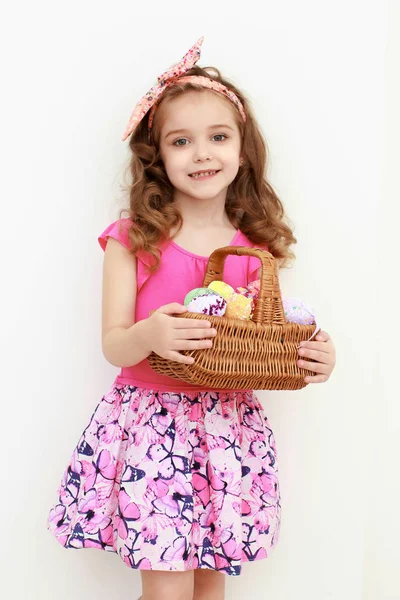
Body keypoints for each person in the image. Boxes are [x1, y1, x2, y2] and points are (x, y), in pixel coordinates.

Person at [47, 37, 336, 600]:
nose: (202, 154)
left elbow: (266, 344)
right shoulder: (133, 239)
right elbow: (113, 344)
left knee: (209, 584)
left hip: (228, 431)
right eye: (182, 141)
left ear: (243, 150)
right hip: (155, 427)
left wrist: (315, 355)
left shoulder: (253, 252)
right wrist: (147, 334)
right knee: (167, 588)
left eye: (218, 137)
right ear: (159, 155)